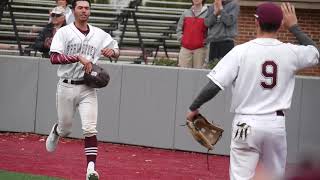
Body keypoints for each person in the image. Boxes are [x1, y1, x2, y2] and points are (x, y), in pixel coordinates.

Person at [186, 2, 319, 180]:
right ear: (281, 25)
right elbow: (315, 53)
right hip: (274, 125)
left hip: (245, 123)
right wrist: (294, 26)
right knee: (274, 177)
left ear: (256, 22)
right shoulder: (291, 52)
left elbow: (214, 85)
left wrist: (194, 107)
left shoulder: (240, 51)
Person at [45, 0, 120, 180]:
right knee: (66, 129)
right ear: (74, 10)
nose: (84, 11)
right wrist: (77, 57)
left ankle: (91, 170)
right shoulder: (64, 32)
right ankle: (56, 131)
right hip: (66, 85)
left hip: (88, 87)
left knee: (90, 128)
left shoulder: (98, 34)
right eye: (80, 7)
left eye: (87, 8)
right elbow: (54, 58)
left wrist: (113, 53)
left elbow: (116, 48)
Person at [176, 0, 208, 69]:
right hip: (185, 50)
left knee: (198, 75)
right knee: (183, 74)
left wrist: (205, 42)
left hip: (200, 50)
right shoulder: (185, 13)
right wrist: (182, 40)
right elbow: (179, 28)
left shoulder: (207, 14)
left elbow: (210, 31)